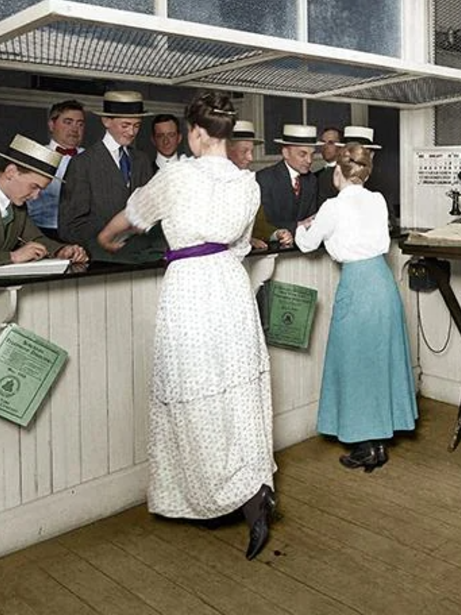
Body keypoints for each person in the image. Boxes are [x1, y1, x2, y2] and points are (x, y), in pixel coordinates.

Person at [96, 92, 276, 560]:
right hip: (230, 286)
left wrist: (105, 237)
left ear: (195, 133)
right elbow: (239, 244)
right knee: (237, 392)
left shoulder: (174, 175)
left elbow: (132, 219)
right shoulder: (247, 184)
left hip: (190, 288)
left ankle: (210, 496)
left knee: (192, 388)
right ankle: (252, 491)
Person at [294, 137, 418, 471]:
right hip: (382, 282)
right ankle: (378, 440)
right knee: (378, 360)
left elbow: (306, 245)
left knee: (355, 364)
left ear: (338, 170)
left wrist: (301, 226)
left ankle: (367, 447)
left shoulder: (332, 206)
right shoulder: (377, 200)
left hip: (356, 284)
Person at [0, 134, 89, 273]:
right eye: (34, 187)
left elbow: (35, 239)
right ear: (11, 172)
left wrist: (61, 251)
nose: (36, 196)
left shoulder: (16, 202)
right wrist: (12, 257)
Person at [59, 90, 156, 254]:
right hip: (101, 260)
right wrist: (105, 239)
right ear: (106, 121)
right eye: (125, 125)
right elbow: (70, 226)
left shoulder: (142, 161)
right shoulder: (82, 163)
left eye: (136, 126)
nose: (131, 132)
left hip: (141, 257)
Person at [27, 99, 86, 241]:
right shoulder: (34, 155)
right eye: (68, 122)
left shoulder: (92, 158)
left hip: (81, 233)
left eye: (80, 124)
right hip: (40, 231)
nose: (74, 129)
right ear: (52, 125)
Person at [255, 123, 320, 246]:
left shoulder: (311, 180)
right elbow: (264, 224)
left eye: (312, 154)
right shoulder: (264, 179)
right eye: (303, 154)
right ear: (285, 153)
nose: (309, 160)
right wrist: (298, 226)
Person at [227, 120, 275, 251]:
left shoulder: (250, 184)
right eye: (244, 151)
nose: (250, 158)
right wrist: (246, 240)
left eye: (251, 151)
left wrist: (276, 233)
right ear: (226, 150)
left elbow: (259, 225)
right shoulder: (211, 183)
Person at [315, 126, 342, 207]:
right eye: (323, 142)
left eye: (330, 143)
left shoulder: (346, 174)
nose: (325, 147)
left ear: (341, 146)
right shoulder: (314, 176)